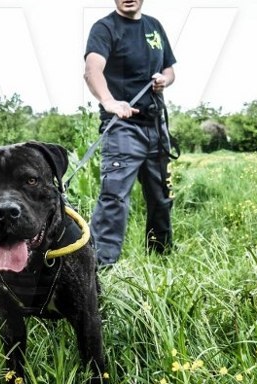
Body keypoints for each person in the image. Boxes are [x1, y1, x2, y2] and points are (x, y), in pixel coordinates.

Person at [84, 0, 177, 267]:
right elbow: (92, 70)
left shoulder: (154, 27)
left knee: (161, 196)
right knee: (114, 198)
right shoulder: (104, 28)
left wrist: (164, 80)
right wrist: (109, 101)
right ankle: (101, 267)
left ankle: (161, 256)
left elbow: (170, 69)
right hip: (123, 126)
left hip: (156, 126)